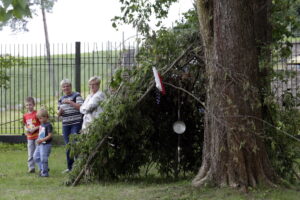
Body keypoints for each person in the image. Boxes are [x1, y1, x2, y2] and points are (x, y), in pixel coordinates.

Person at [58, 79, 83, 173]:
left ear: (71, 86)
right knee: (68, 145)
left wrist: (70, 102)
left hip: (76, 123)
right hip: (65, 125)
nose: (66, 88)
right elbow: (58, 113)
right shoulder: (61, 99)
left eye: (67, 86)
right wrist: (60, 112)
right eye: (64, 86)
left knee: (75, 143)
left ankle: (79, 165)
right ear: (61, 88)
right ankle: (70, 167)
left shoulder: (76, 95)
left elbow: (81, 107)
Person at [23, 97, 40, 173]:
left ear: (34, 105)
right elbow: (25, 124)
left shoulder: (37, 114)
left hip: (37, 136)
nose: (28, 106)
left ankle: (41, 167)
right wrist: (26, 129)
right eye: (27, 105)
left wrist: (35, 128)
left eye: (30, 105)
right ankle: (31, 168)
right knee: (30, 153)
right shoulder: (25, 115)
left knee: (38, 152)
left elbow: (41, 124)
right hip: (29, 137)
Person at [33, 109, 53, 177]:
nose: (39, 120)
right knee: (35, 157)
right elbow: (41, 134)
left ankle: (45, 173)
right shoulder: (41, 124)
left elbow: (50, 135)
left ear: (46, 117)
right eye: (39, 118)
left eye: (41, 118)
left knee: (43, 158)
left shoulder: (48, 125)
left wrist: (42, 140)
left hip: (46, 145)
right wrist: (38, 140)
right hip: (40, 144)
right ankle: (44, 168)